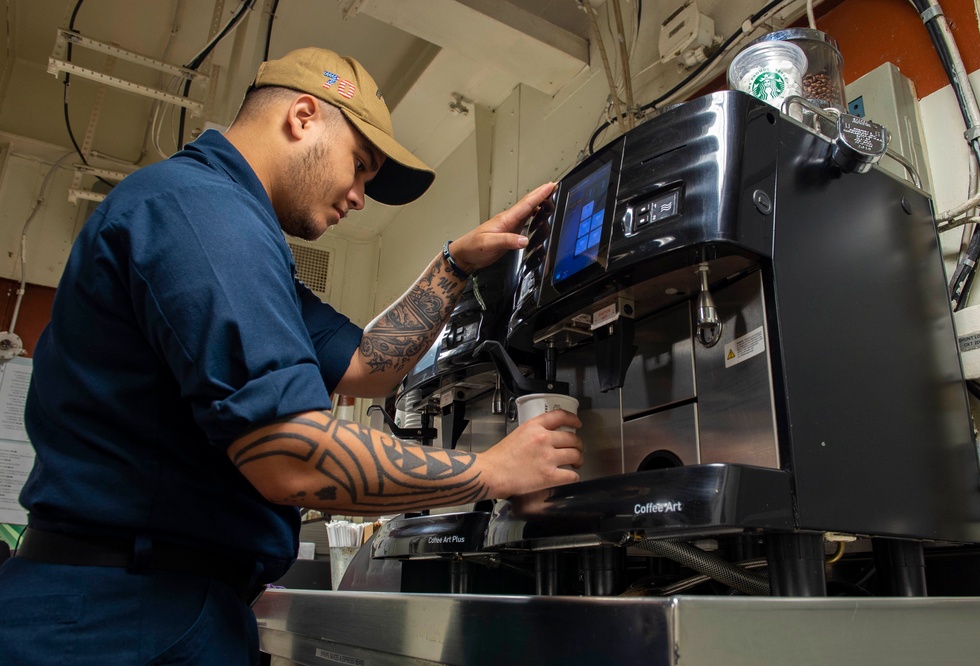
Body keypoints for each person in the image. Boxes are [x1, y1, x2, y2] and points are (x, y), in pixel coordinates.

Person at [0, 47, 583, 664]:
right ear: (303, 115)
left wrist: (454, 266)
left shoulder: (230, 228)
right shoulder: (203, 212)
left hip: (165, 601)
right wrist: (491, 470)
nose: (360, 197)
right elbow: (292, 459)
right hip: (117, 617)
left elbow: (366, 365)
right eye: (359, 167)